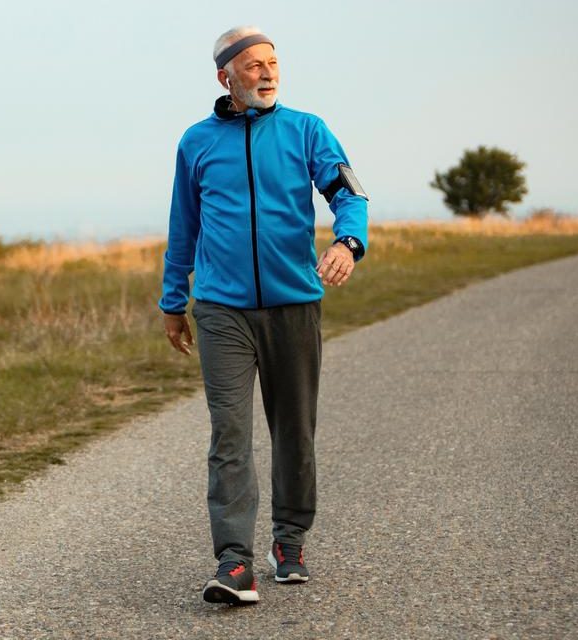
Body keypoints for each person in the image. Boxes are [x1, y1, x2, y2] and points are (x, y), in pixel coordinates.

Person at [158, 25, 369, 606]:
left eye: (273, 63)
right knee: (229, 434)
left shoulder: (306, 130)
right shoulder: (196, 142)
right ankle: (234, 563)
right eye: (253, 65)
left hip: (294, 305)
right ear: (226, 76)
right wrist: (173, 300)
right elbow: (184, 226)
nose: (268, 73)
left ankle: (289, 541)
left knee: (294, 431)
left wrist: (347, 242)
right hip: (222, 310)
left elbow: (349, 192)